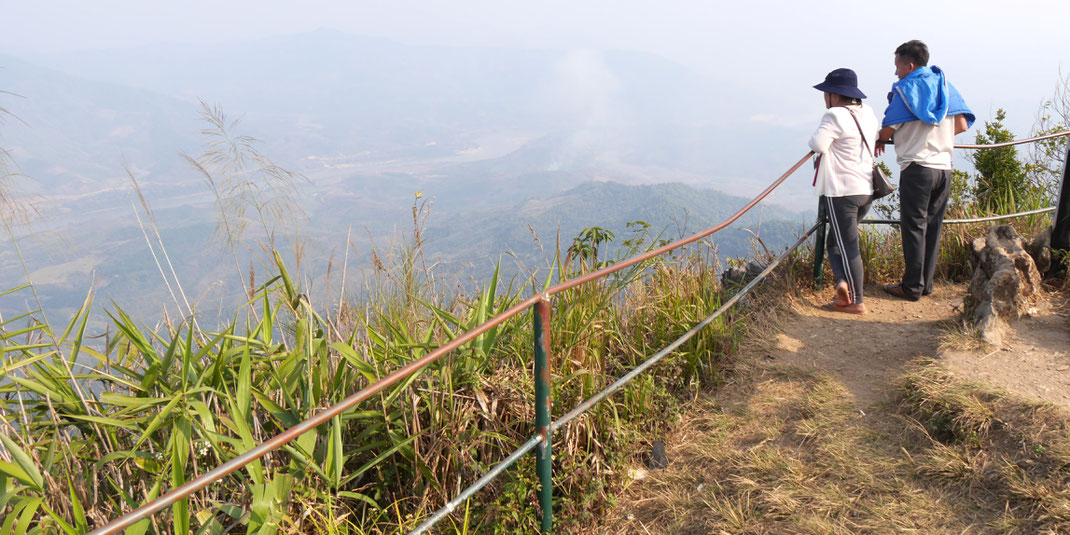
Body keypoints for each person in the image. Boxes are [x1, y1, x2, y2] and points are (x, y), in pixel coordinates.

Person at [875, 40, 974, 301]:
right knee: (933, 226)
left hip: (917, 168)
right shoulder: (945, 86)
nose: (895, 73)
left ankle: (911, 287)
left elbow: (888, 131)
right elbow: (962, 124)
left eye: (897, 67)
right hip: (944, 168)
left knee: (913, 227)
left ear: (909, 65)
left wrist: (884, 138)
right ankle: (925, 284)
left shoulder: (906, 89)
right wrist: (935, 135)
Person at [809, 68, 880, 314]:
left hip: (842, 193)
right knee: (835, 241)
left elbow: (817, 144)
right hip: (866, 191)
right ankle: (843, 286)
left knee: (848, 246)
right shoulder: (868, 113)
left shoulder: (834, 115)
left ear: (834, 94)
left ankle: (857, 301)